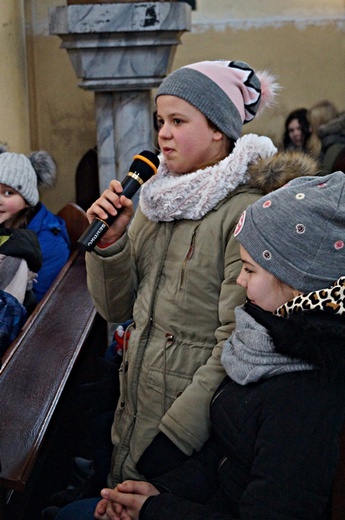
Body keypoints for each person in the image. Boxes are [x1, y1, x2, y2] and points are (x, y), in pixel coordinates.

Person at [48, 59, 281, 520]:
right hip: (138, 401)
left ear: (219, 130)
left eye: (179, 121)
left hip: (187, 432)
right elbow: (116, 308)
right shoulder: (157, 200)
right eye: (160, 122)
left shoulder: (245, 214)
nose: (163, 135)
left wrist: (175, 438)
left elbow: (235, 342)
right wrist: (111, 244)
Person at [91, 170, 345, 520]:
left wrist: (155, 510)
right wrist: (163, 490)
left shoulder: (305, 396)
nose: (240, 280)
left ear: (296, 280)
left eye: (250, 270)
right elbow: (228, 457)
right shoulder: (264, 341)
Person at [0, 146, 70, 302]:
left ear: (27, 200)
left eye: (8, 193)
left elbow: (39, 305)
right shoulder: (5, 224)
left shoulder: (50, 242)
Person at [307, 100, 345, 174]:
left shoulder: (334, 149)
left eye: (312, 125)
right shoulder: (328, 146)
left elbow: (325, 177)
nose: (310, 130)